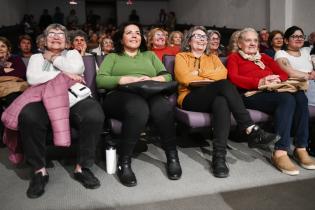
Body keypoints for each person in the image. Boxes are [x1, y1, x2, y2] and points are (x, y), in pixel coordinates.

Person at [2, 24, 104, 198]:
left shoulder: (72, 54)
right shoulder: (35, 57)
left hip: (73, 97)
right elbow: (33, 79)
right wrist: (65, 75)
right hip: (41, 97)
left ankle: (83, 167)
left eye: (60, 34)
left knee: (94, 114)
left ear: (66, 41)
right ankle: (39, 171)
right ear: (44, 39)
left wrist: (53, 58)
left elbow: (77, 70)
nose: (56, 36)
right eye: (52, 34)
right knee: (29, 117)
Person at [174, 26, 279, 178]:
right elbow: (185, 78)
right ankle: (249, 127)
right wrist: (209, 77)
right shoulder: (181, 57)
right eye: (197, 36)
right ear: (189, 41)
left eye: (204, 37)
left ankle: (219, 158)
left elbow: (222, 74)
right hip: (189, 97)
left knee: (221, 101)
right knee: (224, 86)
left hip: (212, 95)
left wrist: (200, 74)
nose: (202, 39)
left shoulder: (213, 57)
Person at [96, 22, 182, 187]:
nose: (134, 35)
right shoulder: (112, 57)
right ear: (121, 39)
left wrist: (151, 79)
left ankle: (173, 157)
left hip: (149, 91)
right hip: (120, 94)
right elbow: (101, 80)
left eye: (137, 33)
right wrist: (126, 79)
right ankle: (125, 162)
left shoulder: (149, 55)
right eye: (129, 33)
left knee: (163, 108)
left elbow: (167, 76)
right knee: (138, 108)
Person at [227, 27, 315, 176]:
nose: (252, 43)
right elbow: (233, 78)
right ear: (240, 43)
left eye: (255, 40)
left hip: (272, 90)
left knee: (300, 96)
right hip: (250, 94)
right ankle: (280, 152)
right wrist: (260, 81)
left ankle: (300, 147)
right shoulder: (234, 58)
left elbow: (283, 73)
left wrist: (276, 79)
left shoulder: (264, 57)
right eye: (248, 40)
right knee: (287, 99)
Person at [274, 26, 315, 106]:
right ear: (286, 40)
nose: (299, 39)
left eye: (301, 36)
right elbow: (291, 73)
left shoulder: (307, 51)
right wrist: (310, 75)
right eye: (294, 36)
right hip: (299, 88)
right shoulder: (281, 53)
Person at [0, 37, 27, 147]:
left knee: (14, 99)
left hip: (13, 88)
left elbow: (21, 73)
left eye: (3, 46)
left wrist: (2, 71)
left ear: (8, 48)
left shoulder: (16, 59)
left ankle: (15, 135)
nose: (0, 48)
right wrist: (5, 69)